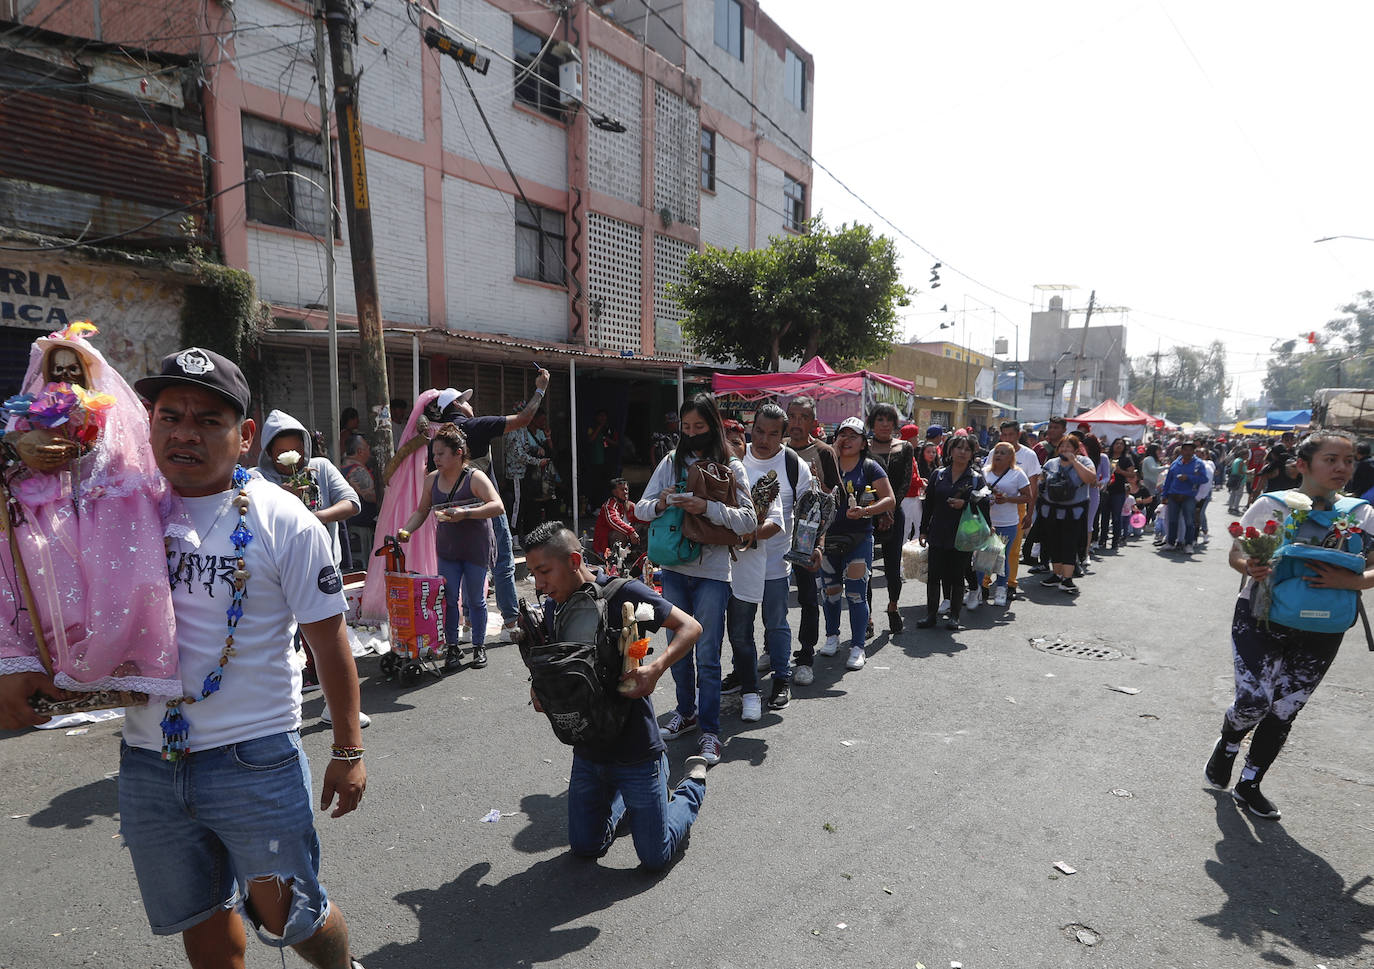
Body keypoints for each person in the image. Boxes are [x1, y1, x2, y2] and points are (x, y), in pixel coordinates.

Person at [0, 347, 368, 968]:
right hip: (150, 761)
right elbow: (34, 530)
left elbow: (328, 639)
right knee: (199, 916)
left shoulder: (287, 522)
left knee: (288, 913)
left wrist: (348, 750)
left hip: (255, 755)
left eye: (207, 420)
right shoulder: (119, 506)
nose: (184, 434)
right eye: (170, 417)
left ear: (245, 435)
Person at [0, 322, 179, 701]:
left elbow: (119, 461)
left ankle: (113, 666)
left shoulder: (105, 411)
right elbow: (12, 457)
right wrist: (22, 447)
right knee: (54, 595)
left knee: (110, 591)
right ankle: (49, 667)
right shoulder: (32, 409)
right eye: (57, 370)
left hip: (100, 515)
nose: (65, 377)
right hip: (42, 514)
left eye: (72, 369)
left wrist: (82, 451)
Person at [1206, 430, 1374, 820]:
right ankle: (1229, 741)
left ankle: (1250, 783)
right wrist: (1251, 566)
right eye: (1331, 459)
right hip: (1260, 616)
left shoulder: (1362, 513)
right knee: (1254, 702)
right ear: (1302, 465)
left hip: (1325, 626)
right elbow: (1237, 554)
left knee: (1284, 709)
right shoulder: (1272, 506)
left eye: (1348, 461)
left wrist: (1351, 581)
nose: (1341, 468)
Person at [522, 522, 708, 870]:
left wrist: (656, 668)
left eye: (544, 572)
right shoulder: (553, 607)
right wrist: (539, 688)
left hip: (636, 751)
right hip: (589, 752)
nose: (540, 585)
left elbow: (691, 627)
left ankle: (691, 785)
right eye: (533, 574)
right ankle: (630, 796)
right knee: (585, 846)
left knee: (655, 856)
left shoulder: (624, 594)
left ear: (575, 559)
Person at [634, 394, 756, 766]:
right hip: (673, 568)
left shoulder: (732, 466)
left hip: (713, 574)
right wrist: (664, 502)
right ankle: (685, 713)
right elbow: (640, 508)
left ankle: (710, 732)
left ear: (713, 426)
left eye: (699, 427)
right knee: (677, 651)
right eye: (686, 428)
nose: (691, 434)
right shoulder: (670, 463)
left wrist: (707, 508)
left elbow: (748, 520)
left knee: (707, 654)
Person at [438, 372, 551, 643]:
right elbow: (524, 419)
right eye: (464, 401)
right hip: (485, 505)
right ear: (456, 407)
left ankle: (465, 627)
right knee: (502, 560)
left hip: (452, 511)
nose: (469, 405)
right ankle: (510, 623)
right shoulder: (476, 426)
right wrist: (540, 391)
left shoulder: (438, 438)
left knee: (466, 563)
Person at [397, 424, 504, 671]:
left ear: (459, 452)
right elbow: (422, 511)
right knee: (448, 599)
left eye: (441, 454)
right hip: (448, 549)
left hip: (476, 547)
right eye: (434, 454)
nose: (436, 459)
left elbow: (497, 506)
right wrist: (406, 530)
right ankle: (453, 647)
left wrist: (464, 513)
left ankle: (479, 647)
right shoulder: (431, 480)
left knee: (476, 600)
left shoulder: (475, 477)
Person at [739, 402, 813, 699]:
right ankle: (741, 674)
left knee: (776, 623)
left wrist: (813, 548)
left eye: (772, 434)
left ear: (783, 436)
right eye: (758, 431)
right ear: (751, 428)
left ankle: (781, 678)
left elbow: (810, 515)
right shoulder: (736, 457)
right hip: (738, 562)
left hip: (775, 563)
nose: (763, 439)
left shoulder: (794, 465)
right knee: (740, 628)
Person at [721, 420, 784, 722]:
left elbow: (776, 523)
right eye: (726, 442)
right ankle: (697, 701)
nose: (732, 448)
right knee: (705, 638)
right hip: (709, 569)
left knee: (741, 634)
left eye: (737, 441)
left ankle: (751, 692)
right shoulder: (705, 479)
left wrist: (751, 533)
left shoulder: (759, 478)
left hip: (746, 570)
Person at [818, 417, 895, 665]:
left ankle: (858, 646)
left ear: (863, 443)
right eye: (843, 435)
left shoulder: (870, 467)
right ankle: (831, 637)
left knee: (855, 594)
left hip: (859, 537)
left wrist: (865, 512)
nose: (847, 440)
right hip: (827, 537)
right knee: (830, 592)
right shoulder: (824, 464)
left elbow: (889, 499)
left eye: (853, 436)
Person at [784, 395, 840, 682]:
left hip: (807, 541)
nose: (796, 423)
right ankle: (774, 651)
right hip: (776, 539)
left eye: (802, 417)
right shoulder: (776, 450)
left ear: (813, 422)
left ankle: (805, 656)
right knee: (775, 600)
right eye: (792, 416)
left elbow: (835, 498)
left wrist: (819, 542)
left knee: (807, 598)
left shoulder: (824, 451)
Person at [917, 433, 987, 628]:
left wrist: (964, 504)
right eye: (959, 448)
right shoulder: (938, 475)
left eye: (967, 449)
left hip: (963, 534)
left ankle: (955, 616)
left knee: (957, 576)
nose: (963, 452)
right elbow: (928, 504)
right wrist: (923, 531)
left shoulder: (976, 479)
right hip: (938, 532)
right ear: (950, 450)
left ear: (973, 453)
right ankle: (931, 615)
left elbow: (985, 506)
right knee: (934, 576)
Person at [865, 404, 915, 634]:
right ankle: (867, 617)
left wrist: (889, 508)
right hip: (867, 512)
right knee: (863, 568)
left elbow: (905, 482)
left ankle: (893, 607)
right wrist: (874, 508)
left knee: (892, 568)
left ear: (895, 424)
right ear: (872, 423)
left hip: (895, 513)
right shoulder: (863, 447)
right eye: (880, 419)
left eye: (889, 420)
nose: (885, 424)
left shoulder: (904, 447)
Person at [1036, 434, 1097, 596]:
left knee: (1070, 544)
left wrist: (1074, 462)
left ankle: (1067, 579)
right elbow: (1041, 481)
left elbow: (1091, 479)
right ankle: (1056, 574)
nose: (1064, 449)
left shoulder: (1084, 462)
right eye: (1062, 446)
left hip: (1074, 512)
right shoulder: (1051, 463)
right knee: (1053, 543)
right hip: (1052, 510)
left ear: (1076, 450)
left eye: (1069, 447)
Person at [987, 420, 1040, 597]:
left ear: (1018, 435)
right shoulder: (995, 452)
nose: (1008, 438)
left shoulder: (1029, 455)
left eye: (1011, 435)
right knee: (988, 548)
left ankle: (1010, 584)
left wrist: (1030, 513)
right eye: (1005, 435)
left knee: (1012, 550)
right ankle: (984, 583)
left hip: (1017, 508)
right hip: (992, 509)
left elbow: (1033, 488)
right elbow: (986, 476)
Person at [977, 442, 1031, 607]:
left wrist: (1008, 499)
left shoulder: (1018, 474)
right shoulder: (984, 473)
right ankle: (977, 590)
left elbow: (1027, 496)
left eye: (1003, 453)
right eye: (996, 452)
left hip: (1008, 522)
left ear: (1011, 457)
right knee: (981, 558)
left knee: (1002, 557)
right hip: (986, 522)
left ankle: (1001, 589)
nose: (998, 455)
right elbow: (976, 494)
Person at [1161, 438, 1208, 554]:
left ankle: (1188, 544)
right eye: (1185, 450)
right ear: (1181, 451)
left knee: (1189, 522)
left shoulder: (1199, 464)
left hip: (1189, 496)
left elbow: (1204, 479)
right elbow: (1168, 480)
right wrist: (1164, 494)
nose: (1188, 452)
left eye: (1190, 450)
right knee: (1172, 521)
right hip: (1173, 495)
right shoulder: (1175, 463)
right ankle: (1171, 543)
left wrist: (1189, 478)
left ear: (1193, 451)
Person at [593, 477, 639, 562]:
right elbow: (613, 520)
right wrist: (631, 531)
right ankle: (615, 561)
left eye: (626, 489)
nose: (626, 492)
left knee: (646, 527)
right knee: (620, 533)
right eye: (622, 490)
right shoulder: (609, 505)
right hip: (604, 546)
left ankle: (640, 556)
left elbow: (642, 518)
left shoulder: (631, 505)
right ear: (614, 492)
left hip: (628, 542)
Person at [584, 408, 619, 509]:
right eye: (600, 416)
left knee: (609, 484)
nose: (602, 418)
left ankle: (610, 506)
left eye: (604, 416)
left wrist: (607, 439)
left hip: (608, 460)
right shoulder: (592, 428)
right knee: (596, 484)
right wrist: (599, 427)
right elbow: (590, 440)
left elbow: (617, 443)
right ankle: (596, 506)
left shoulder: (611, 428)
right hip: (596, 461)